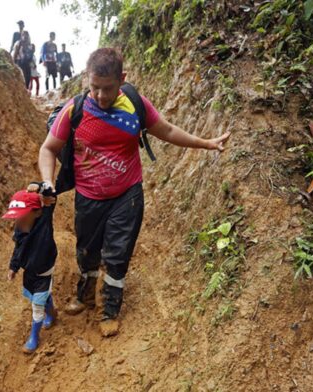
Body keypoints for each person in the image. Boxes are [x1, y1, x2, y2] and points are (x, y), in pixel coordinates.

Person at [38, 48, 231, 337]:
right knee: (87, 252)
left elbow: (166, 130)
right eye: (94, 88)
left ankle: (110, 309)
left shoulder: (135, 104)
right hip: (89, 197)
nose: (101, 96)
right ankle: (86, 293)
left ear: (122, 79)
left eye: (108, 88)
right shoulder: (74, 109)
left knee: (117, 254)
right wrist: (47, 181)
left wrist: (205, 143)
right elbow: (48, 148)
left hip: (126, 196)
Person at [4, 183, 58, 354]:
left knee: (37, 305)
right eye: (16, 218)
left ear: (37, 212)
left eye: (23, 216)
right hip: (29, 272)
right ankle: (51, 313)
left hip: (44, 272)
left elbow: (50, 192)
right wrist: (14, 267)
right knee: (35, 296)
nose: (18, 221)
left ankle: (34, 336)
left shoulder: (44, 222)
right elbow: (18, 249)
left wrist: (39, 187)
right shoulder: (20, 230)